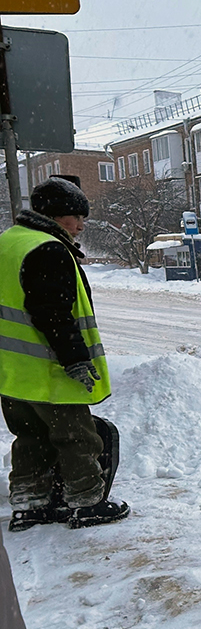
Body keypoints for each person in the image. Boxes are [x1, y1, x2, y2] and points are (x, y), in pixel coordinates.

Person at [0, 176, 130, 532]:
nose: (81, 225)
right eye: (76, 217)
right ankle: (87, 502)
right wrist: (74, 359)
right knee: (76, 436)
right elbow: (52, 313)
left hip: (9, 372)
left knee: (29, 438)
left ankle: (29, 505)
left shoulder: (8, 242)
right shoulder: (47, 248)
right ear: (58, 215)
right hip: (47, 368)